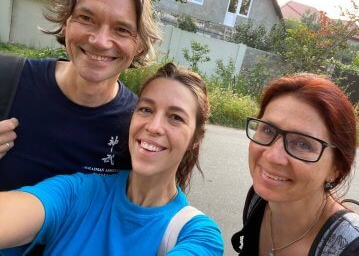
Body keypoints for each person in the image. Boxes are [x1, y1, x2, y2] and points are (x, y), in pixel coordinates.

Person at [0, 63, 224, 255]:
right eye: (146, 109)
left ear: (196, 138)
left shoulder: (198, 235)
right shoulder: (79, 193)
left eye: (175, 117)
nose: (154, 127)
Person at [0, 0, 161, 191]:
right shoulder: (7, 79)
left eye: (122, 29)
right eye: (87, 18)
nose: (100, 41)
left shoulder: (138, 127)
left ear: (140, 46)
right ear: (66, 22)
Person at [231, 74, 359, 255]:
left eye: (303, 144)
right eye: (267, 130)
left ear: (336, 168)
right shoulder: (258, 201)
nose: (273, 156)